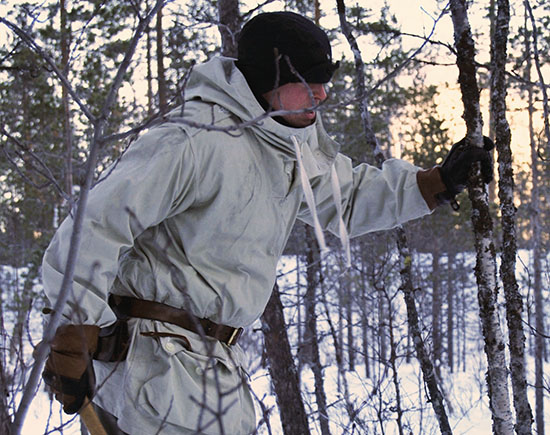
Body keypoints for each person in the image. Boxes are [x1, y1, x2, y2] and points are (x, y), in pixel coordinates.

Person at [41, 11, 493, 435]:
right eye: (308, 82)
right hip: (151, 370)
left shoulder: (289, 144)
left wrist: (434, 184)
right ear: (265, 80)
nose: (323, 95)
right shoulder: (193, 142)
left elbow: (347, 196)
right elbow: (93, 228)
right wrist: (74, 331)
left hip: (216, 373)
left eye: (324, 82)